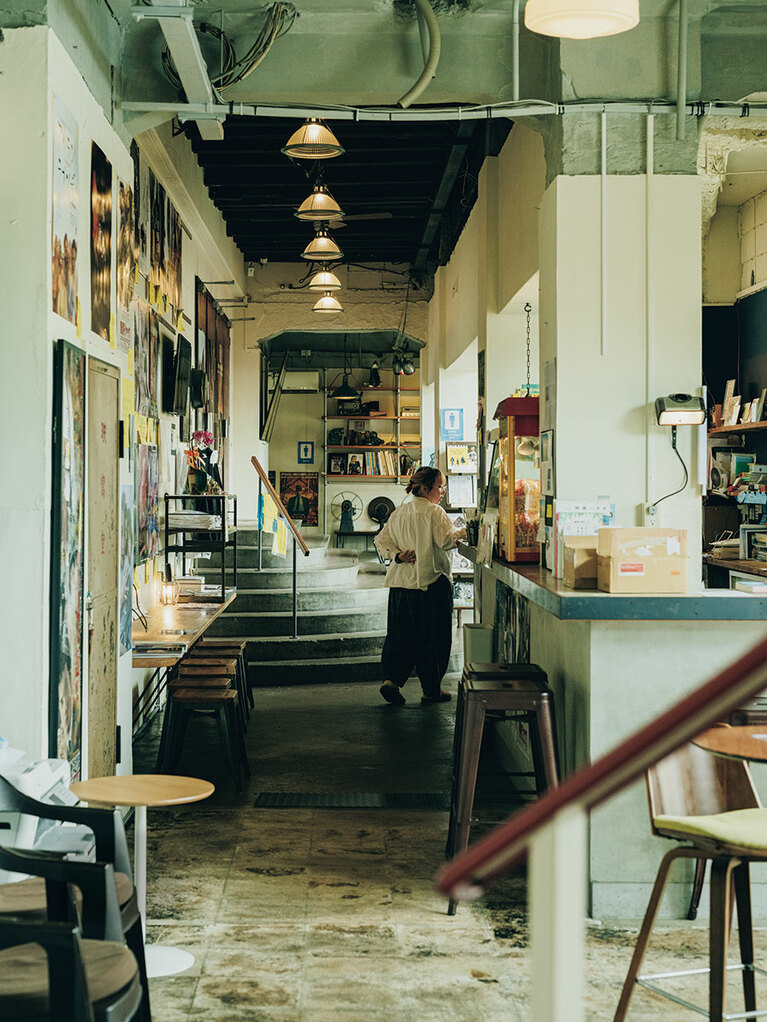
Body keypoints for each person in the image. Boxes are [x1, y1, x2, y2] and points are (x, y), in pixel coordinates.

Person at [374, 467, 466, 706]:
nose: (443, 492)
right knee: (432, 640)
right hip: (430, 585)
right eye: (440, 486)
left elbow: (381, 540)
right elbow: (446, 541)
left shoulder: (399, 512)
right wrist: (469, 529)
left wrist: (397, 556)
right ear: (425, 488)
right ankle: (431, 690)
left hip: (400, 586)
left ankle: (391, 682)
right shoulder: (434, 512)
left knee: (399, 636)